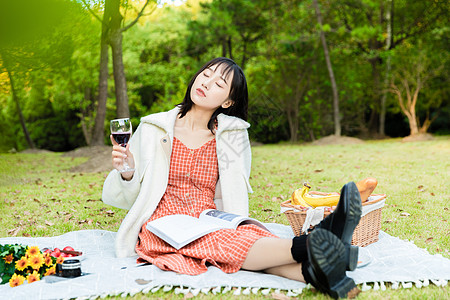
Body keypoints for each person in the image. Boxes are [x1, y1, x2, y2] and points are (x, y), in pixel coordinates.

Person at [102, 57, 364, 299]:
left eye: (219, 83)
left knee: (244, 236)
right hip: (163, 221)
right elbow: (129, 196)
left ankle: (319, 274)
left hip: (207, 216)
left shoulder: (231, 136)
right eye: (205, 75)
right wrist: (128, 171)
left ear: (227, 102)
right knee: (220, 240)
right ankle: (314, 242)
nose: (206, 83)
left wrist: (229, 220)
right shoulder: (153, 127)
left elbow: (231, 190)